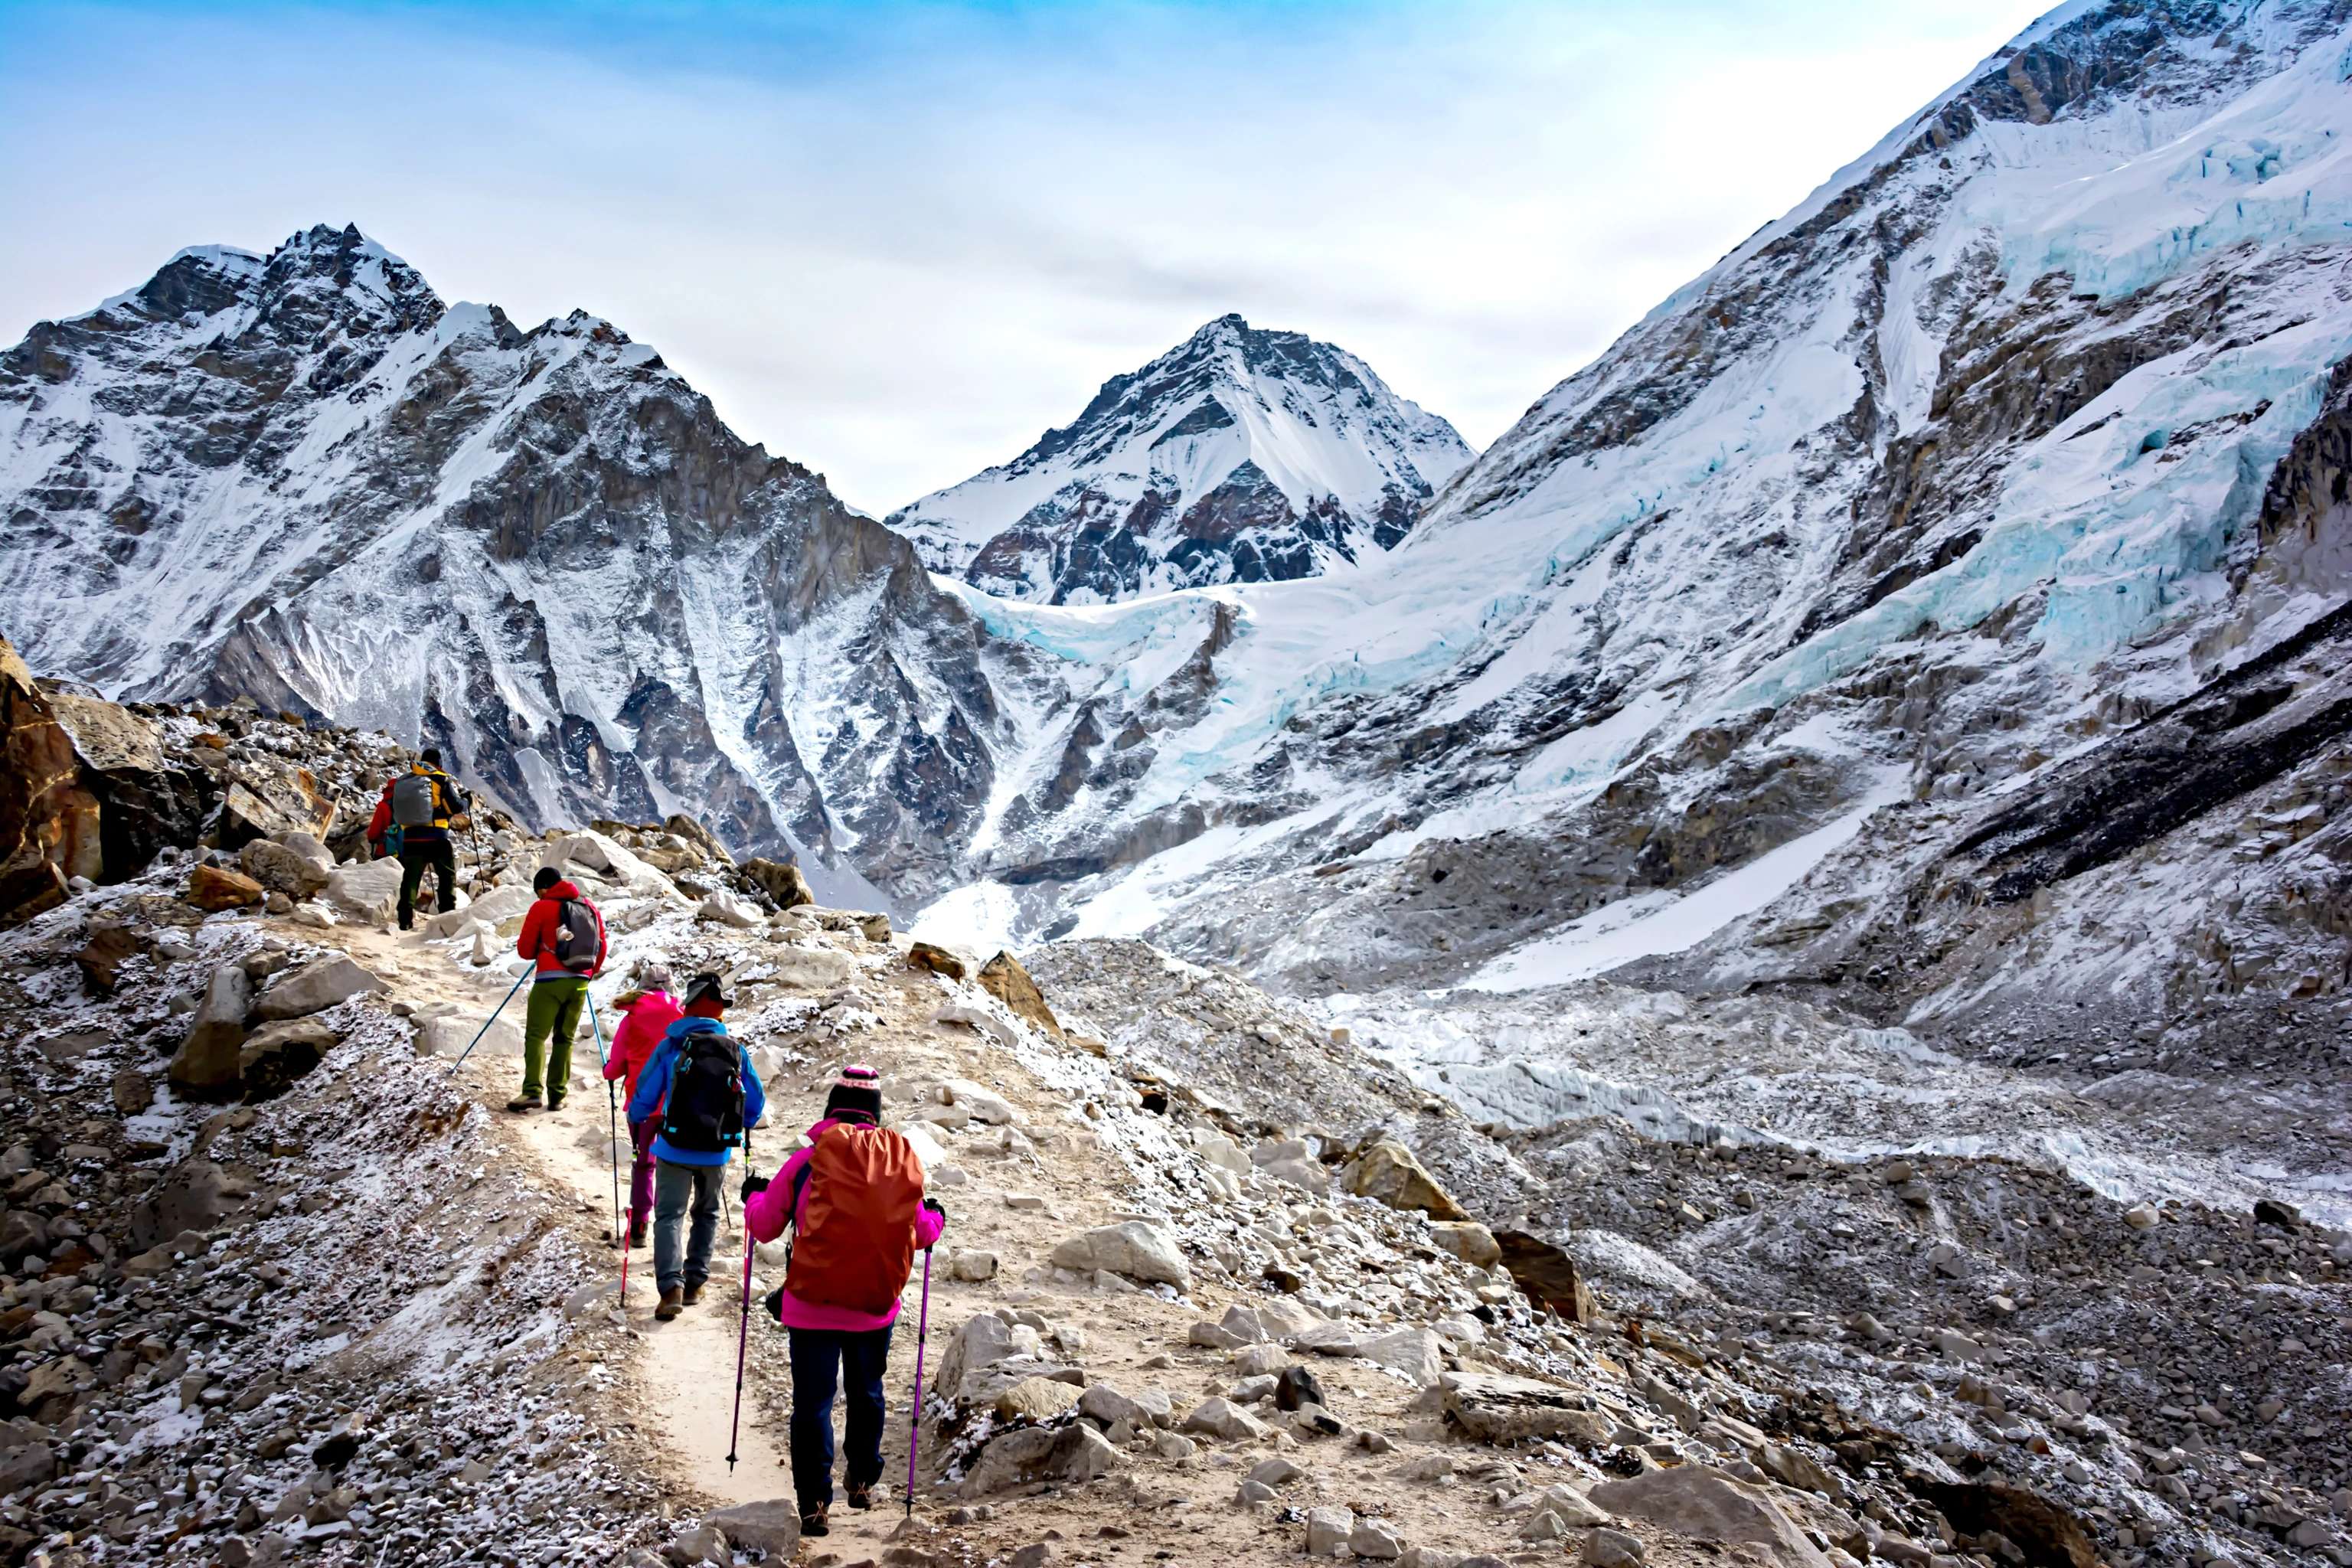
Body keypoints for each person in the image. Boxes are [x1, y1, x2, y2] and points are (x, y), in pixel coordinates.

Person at [743, 1065, 944, 1538]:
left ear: (831, 1109)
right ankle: (862, 1478)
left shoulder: (807, 1162)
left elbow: (766, 1226)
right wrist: (937, 1216)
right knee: (867, 1391)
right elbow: (920, 1233)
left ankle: (814, 1504)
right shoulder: (898, 1165)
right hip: (875, 1305)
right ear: (875, 1115)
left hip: (810, 1304)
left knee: (813, 1403)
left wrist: (753, 1196)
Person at [626, 973, 766, 1320]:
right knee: (707, 1212)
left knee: (669, 1215)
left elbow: (646, 1092)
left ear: (687, 1010)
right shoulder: (735, 1050)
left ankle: (670, 1287)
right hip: (716, 1148)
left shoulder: (672, 1046)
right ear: (718, 1014)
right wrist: (740, 1124)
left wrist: (642, 1117)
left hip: (673, 1145)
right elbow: (755, 1103)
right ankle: (695, 1283)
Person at [509, 866, 608, 1114]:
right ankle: (558, 1096)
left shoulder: (542, 907)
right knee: (564, 1039)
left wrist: (545, 950)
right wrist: (588, 972)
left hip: (549, 981)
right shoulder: (589, 906)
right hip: (579, 983)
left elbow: (525, 950)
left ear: (543, 889)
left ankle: (532, 1092)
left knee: (536, 1037)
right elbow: (602, 945)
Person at [601, 963, 681, 1248]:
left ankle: (639, 1227)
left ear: (642, 988)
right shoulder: (684, 1015)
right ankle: (670, 1230)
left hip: (642, 1104)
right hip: (679, 1103)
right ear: (671, 986)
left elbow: (614, 1069)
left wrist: (607, 1069)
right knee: (673, 1164)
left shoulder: (631, 1018)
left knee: (644, 1164)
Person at [386, 748, 469, 931]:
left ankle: (405, 920)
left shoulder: (406, 779)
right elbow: (453, 807)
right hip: (437, 836)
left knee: (411, 879)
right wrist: (466, 802)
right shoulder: (440, 779)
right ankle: (447, 917)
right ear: (439, 762)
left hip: (411, 838)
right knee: (447, 877)